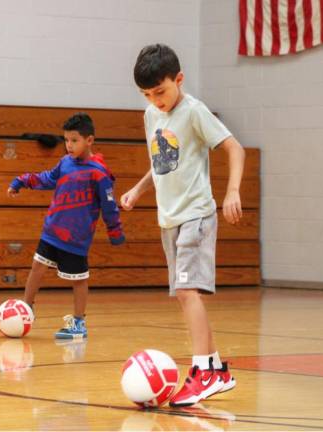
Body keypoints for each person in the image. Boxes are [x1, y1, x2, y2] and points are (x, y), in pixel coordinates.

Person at [121, 44, 245, 407]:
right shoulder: (151, 115)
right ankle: (218, 369)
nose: (156, 100)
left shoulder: (194, 111)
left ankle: (203, 372)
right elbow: (161, 161)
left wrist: (232, 190)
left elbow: (235, 148)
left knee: (189, 292)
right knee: (183, 295)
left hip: (196, 215)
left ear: (179, 79)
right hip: (169, 219)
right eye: (147, 94)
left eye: (160, 91)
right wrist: (139, 189)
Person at [7, 112, 125, 339]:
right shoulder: (65, 163)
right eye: (66, 140)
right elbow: (45, 178)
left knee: (79, 281)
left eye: (74, 140)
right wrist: (21, 181)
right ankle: (26, 308)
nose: (69, 146)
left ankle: (79, 322)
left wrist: (115, 230)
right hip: (51, 232)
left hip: (76, 240)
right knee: (36, 268)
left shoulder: (99, 173)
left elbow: (109, 205)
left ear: (89, 140)